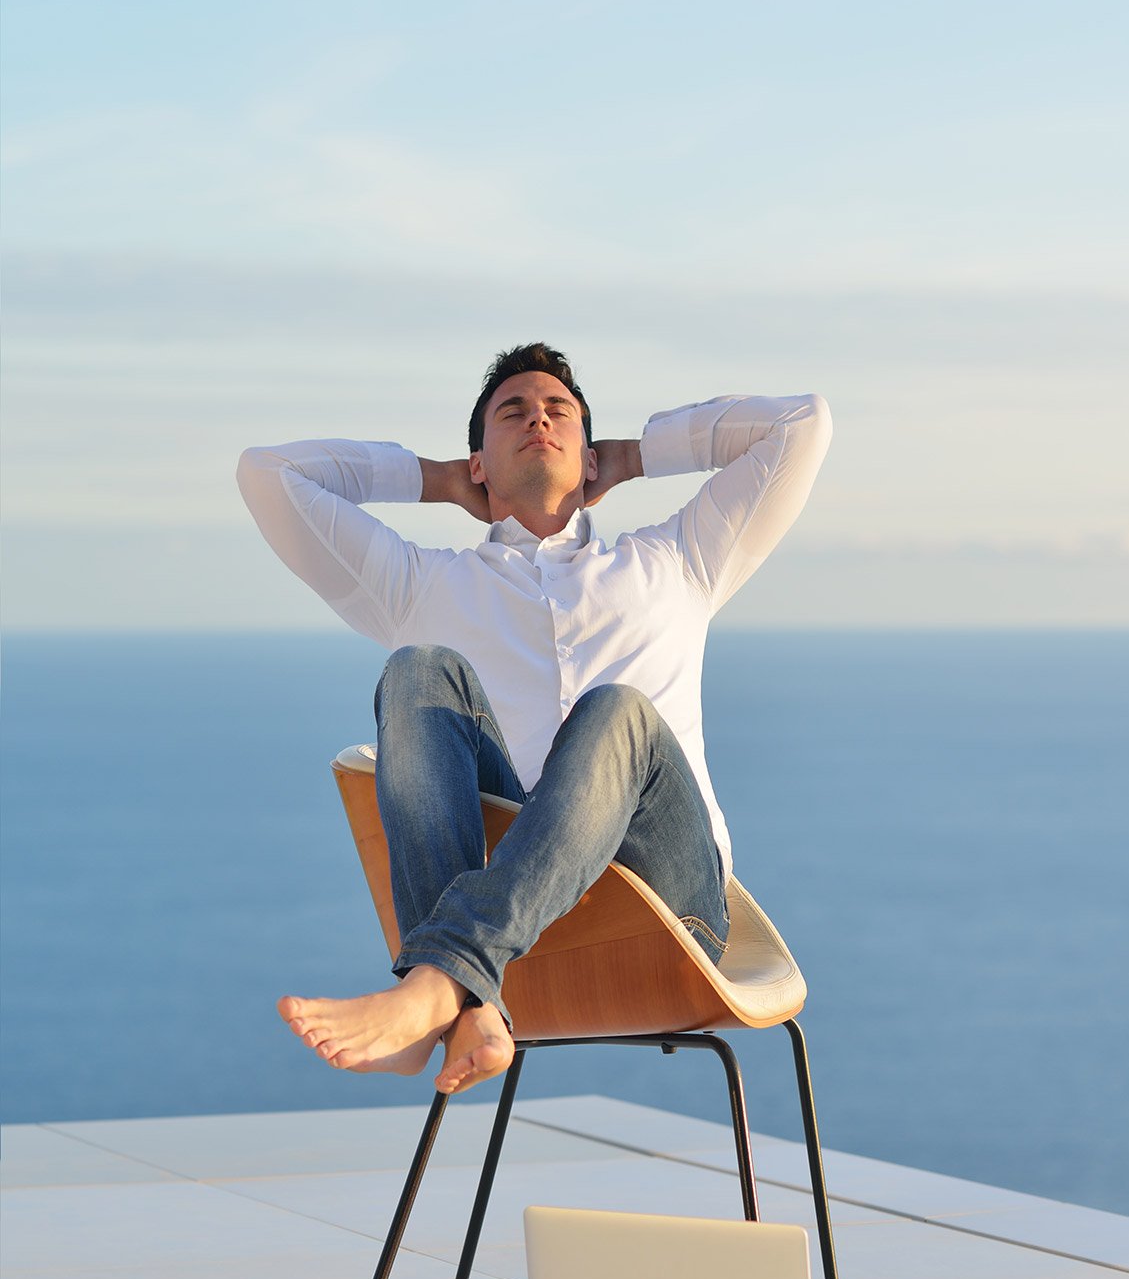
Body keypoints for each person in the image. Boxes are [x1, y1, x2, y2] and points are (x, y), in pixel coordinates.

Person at [237, 342, 831, 1097]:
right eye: (511, 413)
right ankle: (470, 1002)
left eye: (559, 412)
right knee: (418, 669)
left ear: (590, 456)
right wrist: (436, 480)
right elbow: (267, 474)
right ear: (478, 463)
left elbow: (801, 425)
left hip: (670, 912)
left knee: (618, 711)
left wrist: (634, 457)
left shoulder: (679, 560)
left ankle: (437, 984)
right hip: (523, 939)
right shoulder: (419, 586)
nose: (537, 420)